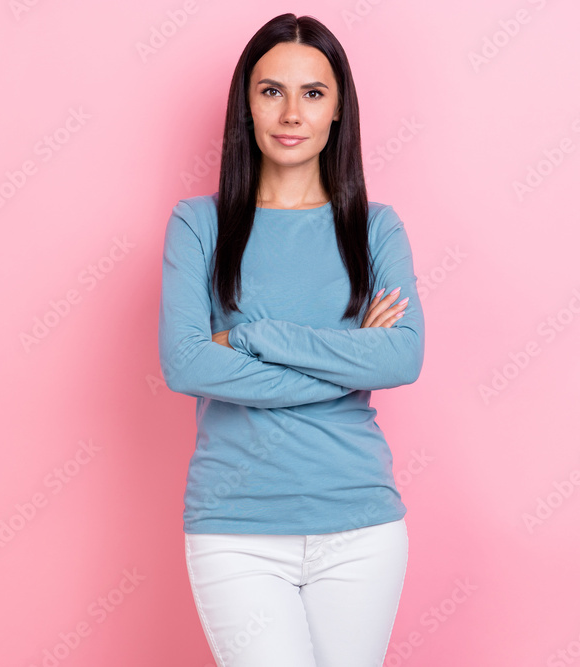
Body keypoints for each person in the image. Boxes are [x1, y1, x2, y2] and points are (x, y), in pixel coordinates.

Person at [158, 12, 424, 666]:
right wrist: (347, 359)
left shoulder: (375, 229)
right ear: (246, 105)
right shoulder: (198, 225)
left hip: (361, 524)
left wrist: (251, 336)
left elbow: (403, 355)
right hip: (236, 530)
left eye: (313, 93)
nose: (291, 111)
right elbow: (186, 362)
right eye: (271, 90)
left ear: (338, 111)